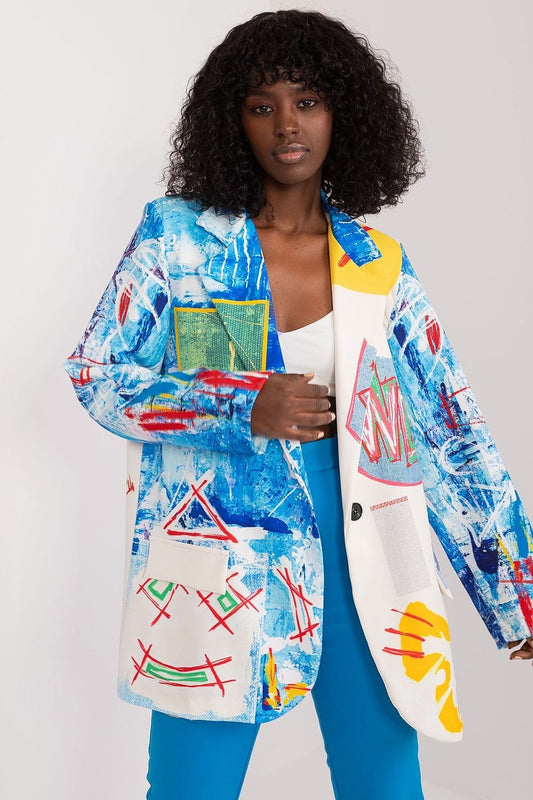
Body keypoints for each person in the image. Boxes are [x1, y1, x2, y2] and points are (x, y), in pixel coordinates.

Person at [65, 9, 533, 800]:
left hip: (371, 560)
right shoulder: (179, 238)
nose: (286, 124)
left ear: (342, 114)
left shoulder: (378, 264)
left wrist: (515, 593)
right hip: (218, 564)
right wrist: (238, 406)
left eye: (307, 101)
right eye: (262, 105)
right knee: (189, 790)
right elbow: (96, 374)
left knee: (384, 786)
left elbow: (451, 431)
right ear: (233, 123)